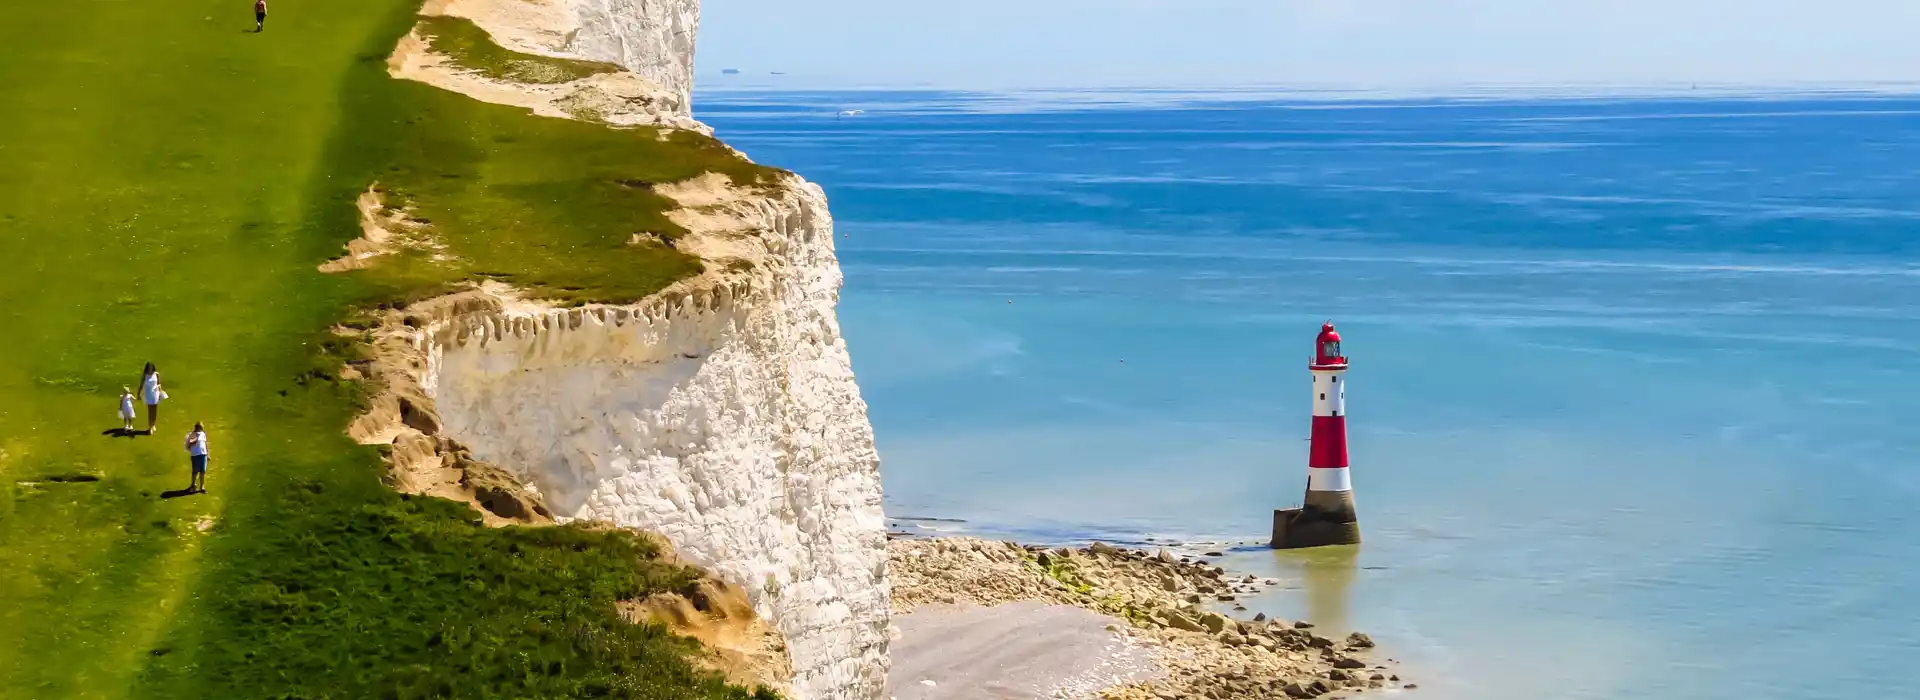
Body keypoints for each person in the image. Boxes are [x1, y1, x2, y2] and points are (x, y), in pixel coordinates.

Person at [140, 362, 167, 433]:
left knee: (154, 410)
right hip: (148, 394)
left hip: (155, 394)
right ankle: (150, 427)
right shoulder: (145, 375)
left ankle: (153, 424)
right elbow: (141, 385)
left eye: (151, 367)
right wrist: (138, 394)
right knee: (150, 410)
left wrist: (160, 391)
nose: (150, 368)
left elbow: (159, 384)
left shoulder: (156, 374)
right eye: (149, 367)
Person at [185, 423, 210, 493]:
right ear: (197, 427)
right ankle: (193, 485)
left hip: (203, 454)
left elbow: (205, 444)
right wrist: (194, 440)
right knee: (195, 471)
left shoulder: (203, 434)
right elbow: (188, 445)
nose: (201, 429)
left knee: (203, 471)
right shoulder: (192, 434)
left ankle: (202, 486)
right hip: (195, 455)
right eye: (200, 427)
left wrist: (208, 454)